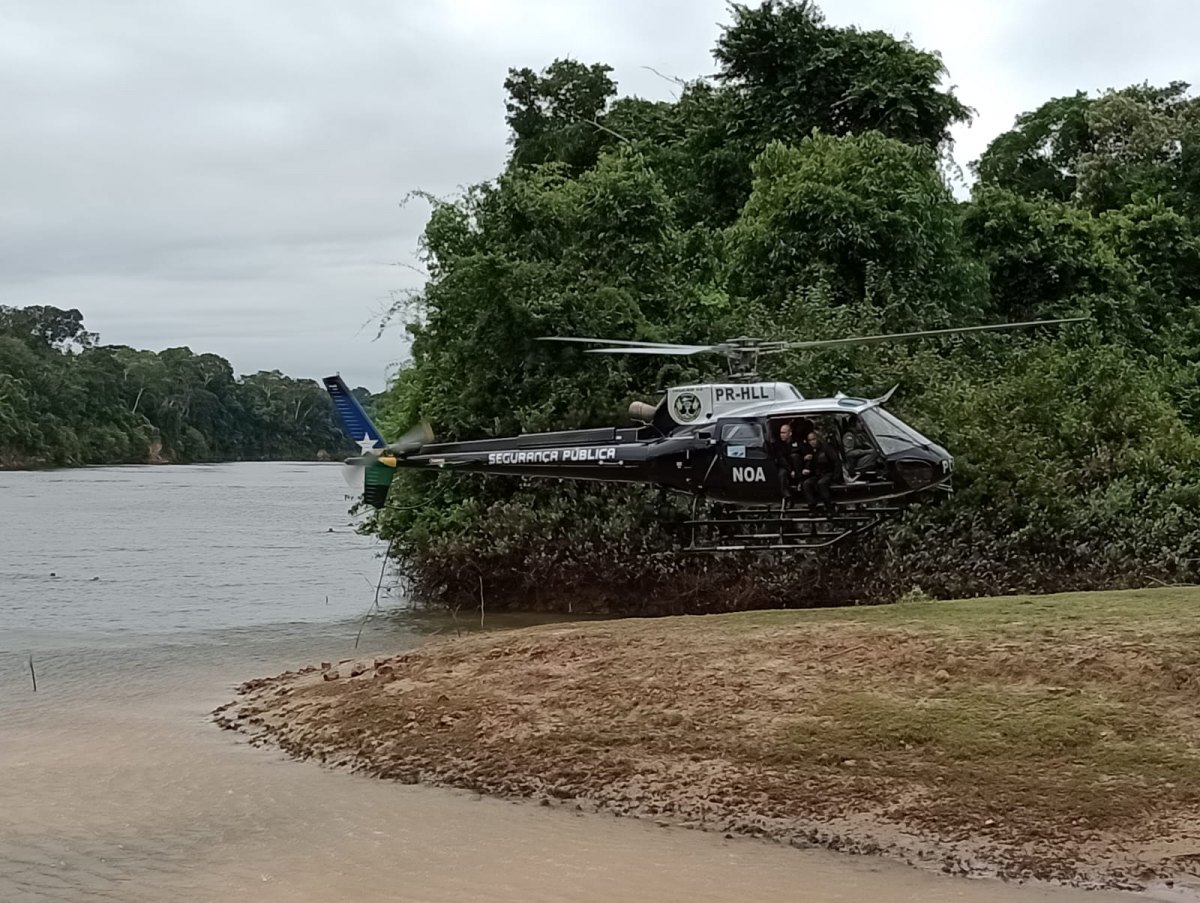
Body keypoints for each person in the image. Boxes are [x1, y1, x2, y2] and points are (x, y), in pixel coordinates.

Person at [801, 430, 837, 513]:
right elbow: (811, 464)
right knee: (806, 483)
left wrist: (836, 477)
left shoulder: (826, 448)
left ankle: (829, 506)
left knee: (822, 483)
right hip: (818, 474)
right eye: (810, 440)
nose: (812, 442)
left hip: (828, 473)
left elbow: (836, 462)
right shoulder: (811, 451)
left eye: (813, 439)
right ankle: (812, 506)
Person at [771, 422, 803, 499]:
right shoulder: (778, 444)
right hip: (786, 466)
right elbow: (781, 458)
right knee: (782, 474)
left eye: (784, 433)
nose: (782, 435)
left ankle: (800, 482)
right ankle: (787, 496)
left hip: (798, 466)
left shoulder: (797, 442)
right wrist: (790, 470)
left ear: (790, 433)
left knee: (795, 456)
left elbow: (804, 453)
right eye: (781, 433)